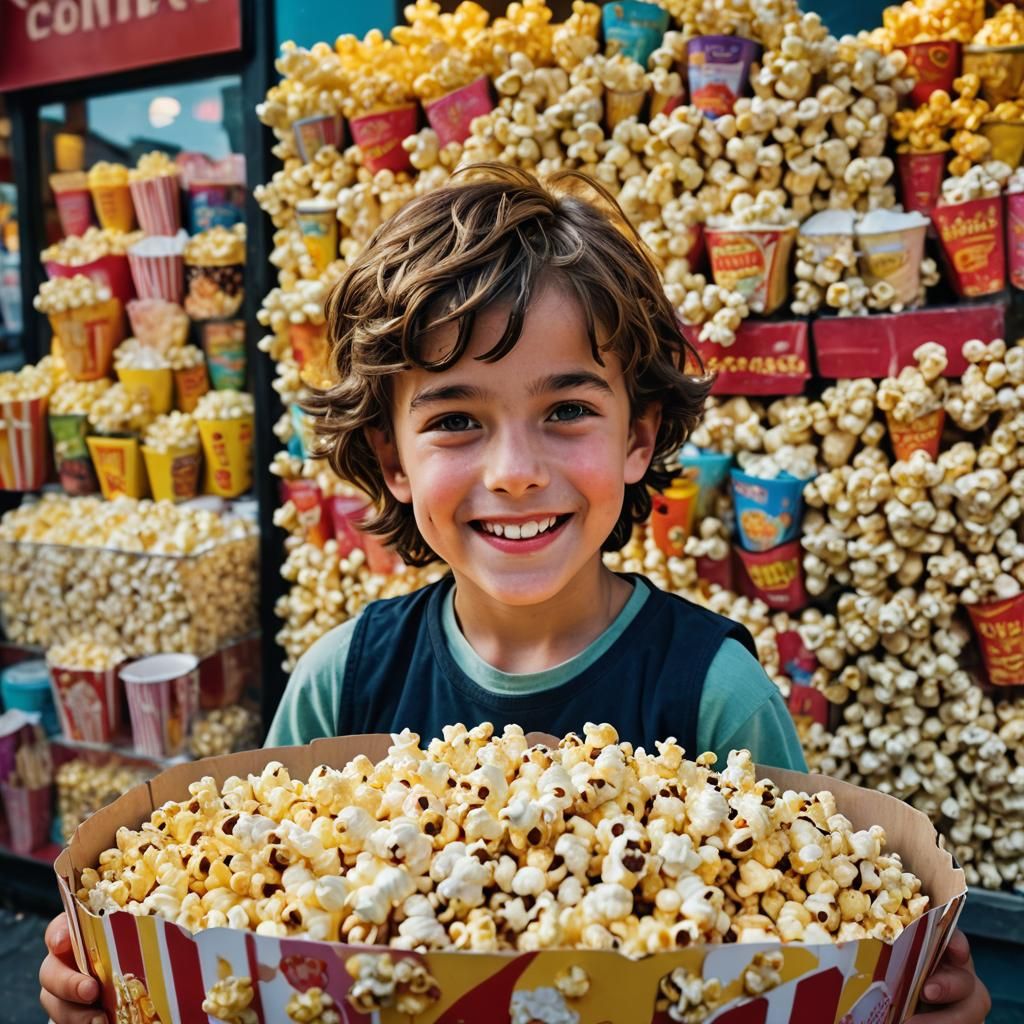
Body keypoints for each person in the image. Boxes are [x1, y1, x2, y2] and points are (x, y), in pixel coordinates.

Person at [40, 165, 989, 1023]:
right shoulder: (339, 683)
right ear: (391, 458)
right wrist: (124, 986)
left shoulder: (718, 695)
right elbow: (242, 926)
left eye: (567, 411)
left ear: (638, 436)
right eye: (455, 419)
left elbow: (810, 927)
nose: (516, 472)